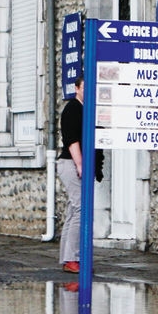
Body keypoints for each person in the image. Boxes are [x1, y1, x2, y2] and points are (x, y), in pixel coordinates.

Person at [57, 76, 103, 274]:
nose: (90, 90)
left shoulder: (88, 110)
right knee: (80, 210)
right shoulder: (73, 109)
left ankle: (67, 257)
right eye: (86, 86)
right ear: (77, 88)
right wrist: (80, 164)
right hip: (71, 163)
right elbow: (71, 139)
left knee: (72, 212)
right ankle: (72, 259)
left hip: (77, 163)